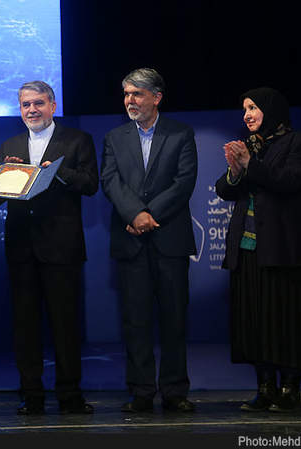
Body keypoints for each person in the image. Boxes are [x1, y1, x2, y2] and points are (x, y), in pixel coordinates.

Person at [0, 81, 98, 415]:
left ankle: (70, 395)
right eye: (26, 105)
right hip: (21, 249)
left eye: (38, 103)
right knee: (25, 327)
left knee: (65, 325)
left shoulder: (77, 140)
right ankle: (31, 395)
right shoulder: (9, 145)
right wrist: (5, 173)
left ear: (52, 105)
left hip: (62, 248)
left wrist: (59, 171)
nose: (32, 110)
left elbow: (91, 184)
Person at [214, 87, 301, 412]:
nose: (246, 115)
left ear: (271, 109)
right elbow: (224, 189)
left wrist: (251, 164)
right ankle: (265, 388)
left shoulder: (298, 143)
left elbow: (291, 180)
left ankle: (289, 388)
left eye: (253, 107)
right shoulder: (249, 145)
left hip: (284, 249)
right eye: (244, 109)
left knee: (286, 320)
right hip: (248, 248)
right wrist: (235, 172)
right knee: (255, 321)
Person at [100, 68, 197, 413]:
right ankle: (141, 391)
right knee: (135, 321)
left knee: (174, 319)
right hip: (131, 243)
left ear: (156, 97)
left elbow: (184, 182)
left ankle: (174, 391)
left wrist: (147, 215)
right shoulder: (114, 137)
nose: (130, 100)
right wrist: (133, 214)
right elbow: (110, 180)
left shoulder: (181, 133)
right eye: (126, 94)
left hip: (169, 240)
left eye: (137, 94)